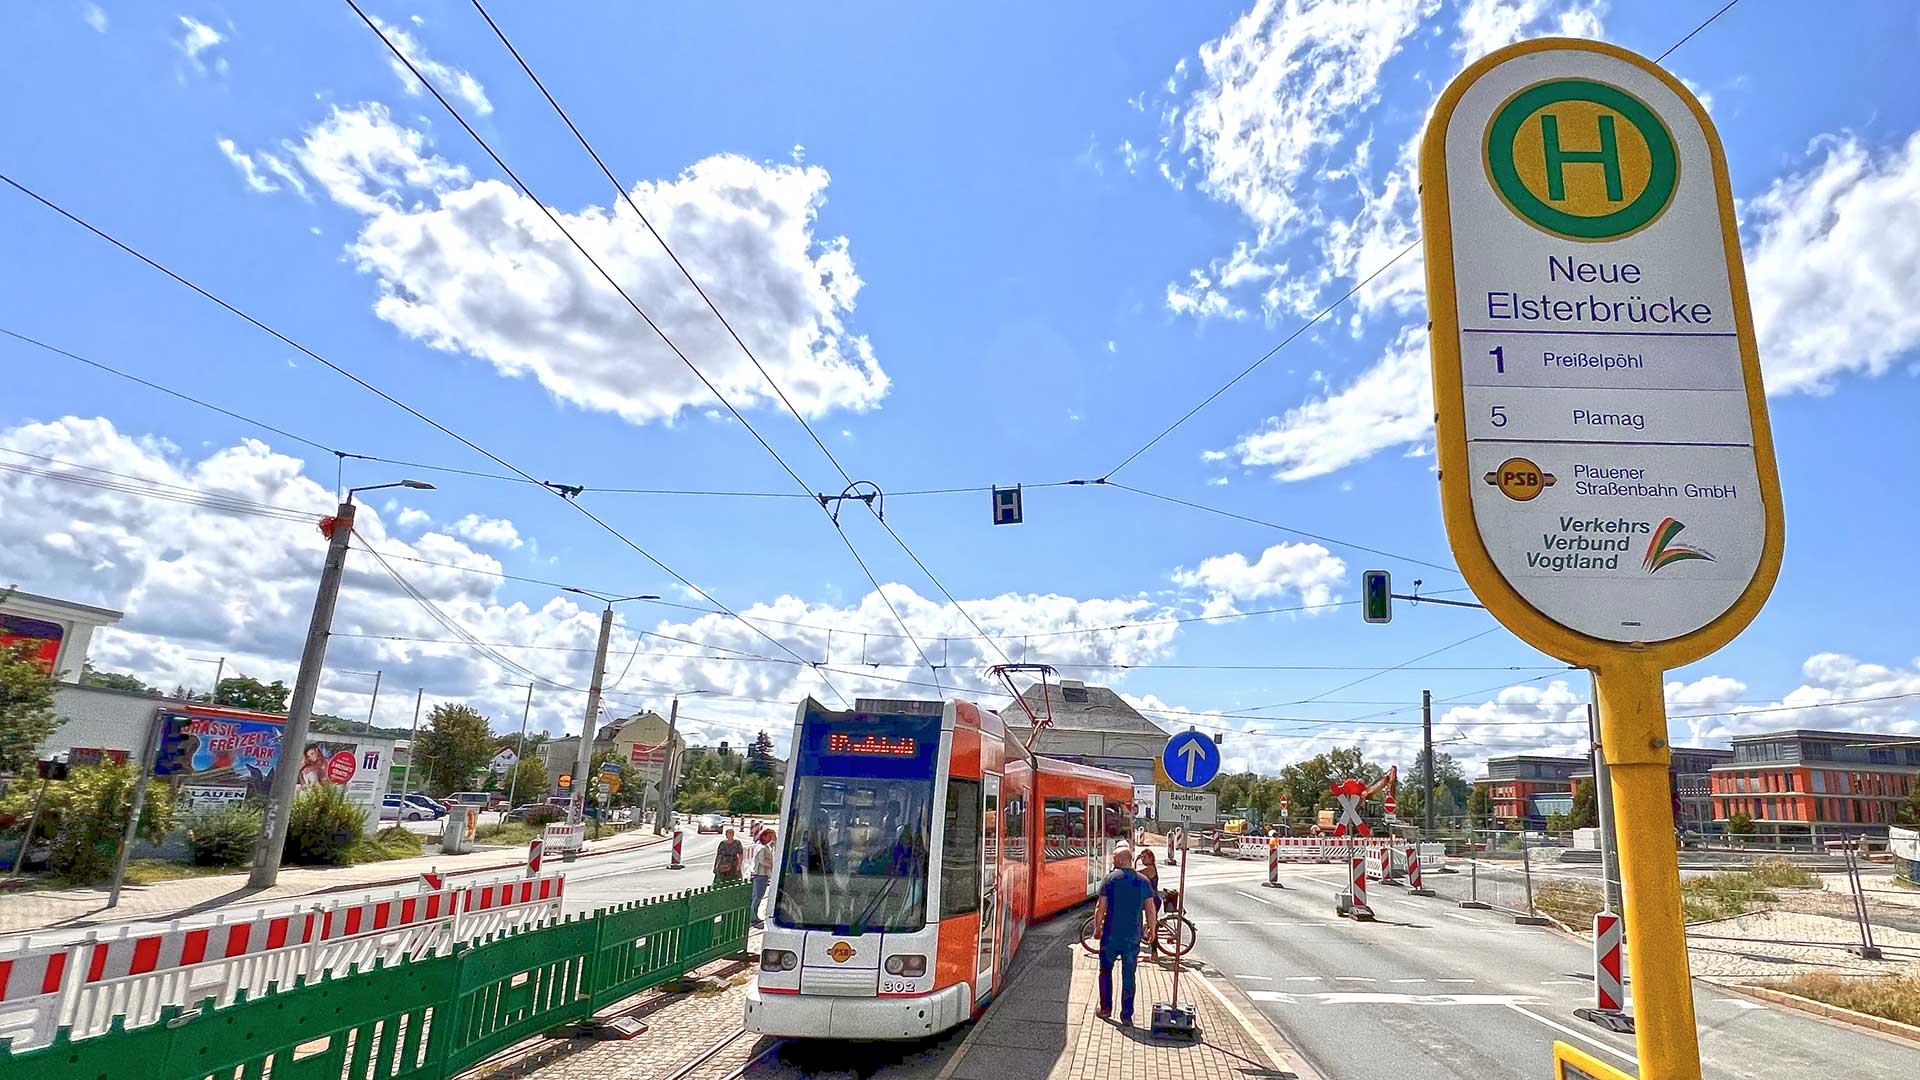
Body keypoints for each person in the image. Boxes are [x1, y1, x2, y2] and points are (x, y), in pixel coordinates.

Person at [1091, 845, 1157, 1025]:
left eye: (1114, 858)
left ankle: (1105, 1009)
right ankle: (1126, 1016)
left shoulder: (1109, 879)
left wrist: (1097, 928)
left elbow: (1100, 907)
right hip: (1133, 936)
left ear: (1120, 861)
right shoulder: (1143, 881)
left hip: (1111, 935)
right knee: (1129, 974)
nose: (1112, 861)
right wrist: (1152, 929)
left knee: (1105, 971)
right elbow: (1150, 909)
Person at [749, 827, 776, 927]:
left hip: (762, 875)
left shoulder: (764, 847)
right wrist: (773, 864)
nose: (770, 839)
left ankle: (754, 916)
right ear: (763, 836)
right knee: (757, 897)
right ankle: (752, 917)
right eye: (769, 836)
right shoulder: (762, 848)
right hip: (760, 874)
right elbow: (762, 861)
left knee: (757, 896)